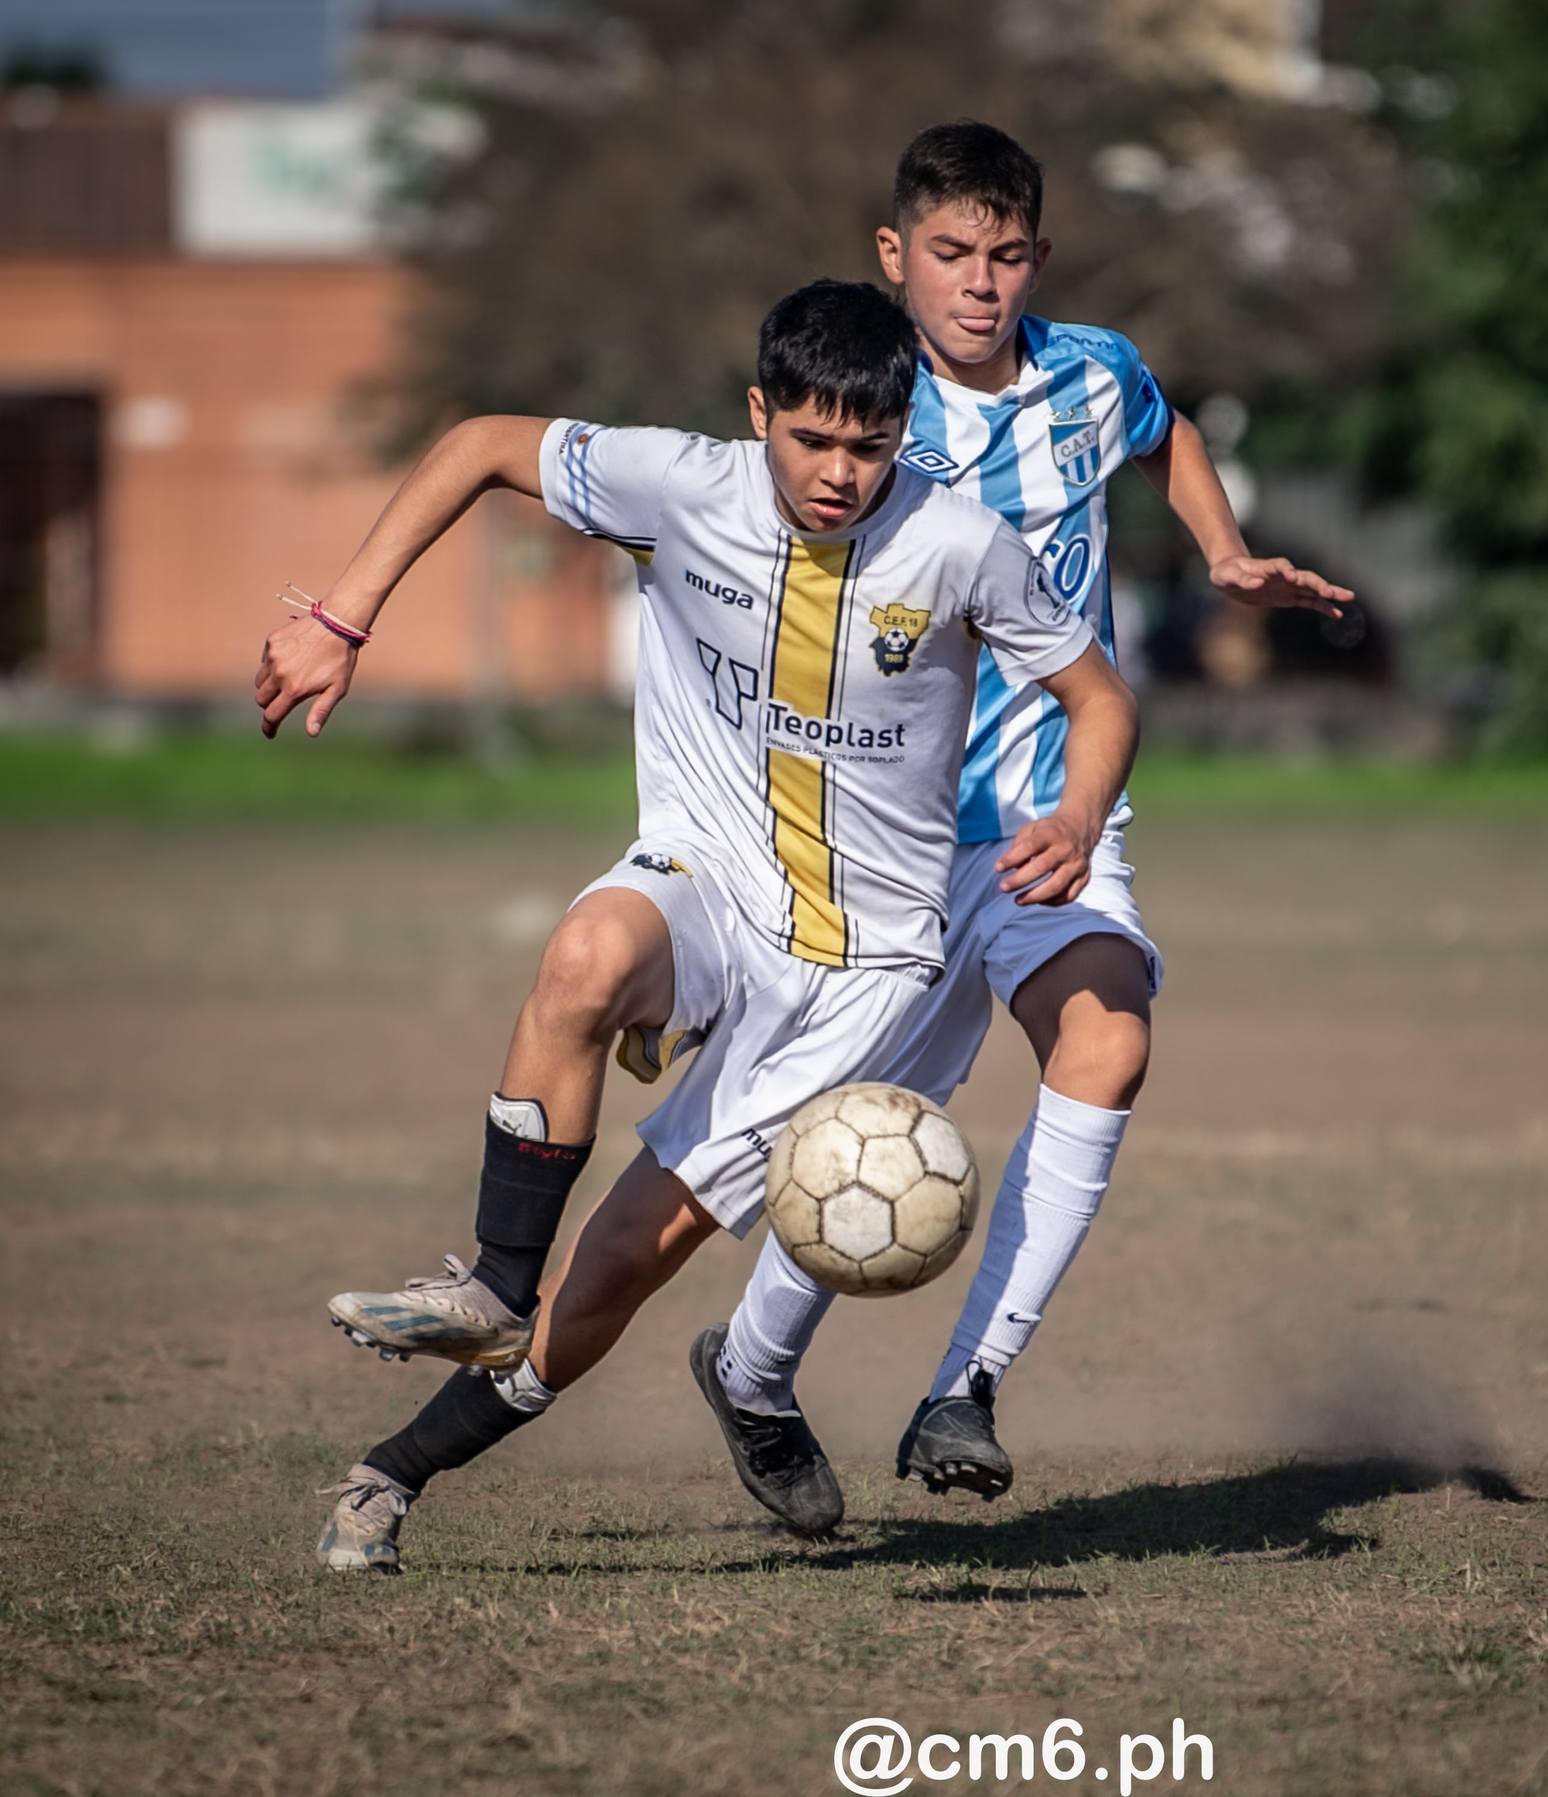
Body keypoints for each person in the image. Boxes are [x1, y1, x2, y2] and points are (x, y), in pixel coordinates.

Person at [255, 279, 1138, 1570]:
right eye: (813, 439)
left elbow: (1100, 697)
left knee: (616, 1271)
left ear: (904, 432)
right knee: (587, 954)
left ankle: (390, 1474)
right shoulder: (677, 483)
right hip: (709, 876)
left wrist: (1076, 812)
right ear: (758, 412)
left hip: (865, 972)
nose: (840, 473)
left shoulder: (960, 547)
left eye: (871, 445)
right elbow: (481, 445)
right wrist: (342, 618)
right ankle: (494, 1283)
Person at [701, 123, 1356, 1520]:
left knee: (1109, 1037)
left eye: (1005, 255)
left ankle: (968, 1388)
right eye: (949, 253)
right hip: (893, 837)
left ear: (1037, 257)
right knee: (873, 1135)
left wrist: (1224, 550)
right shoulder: (863, 411)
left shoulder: (1090, 371)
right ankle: (751, 1373)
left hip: (1057, 818)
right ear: (895, 257)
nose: (980, 283)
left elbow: (1164, 421)